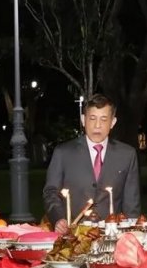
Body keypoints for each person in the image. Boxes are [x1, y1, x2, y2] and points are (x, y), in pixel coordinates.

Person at [43, 93, 141, 233]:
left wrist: (132, 235)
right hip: (73, 236)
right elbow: (50, 192)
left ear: (113, 122)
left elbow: (132, 205)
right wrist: (58, 219)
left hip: (112, 237)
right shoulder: (63, 153)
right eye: (92, 118)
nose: (97, 125)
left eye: (103, 119)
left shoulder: (127, 155)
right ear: (83, 120)